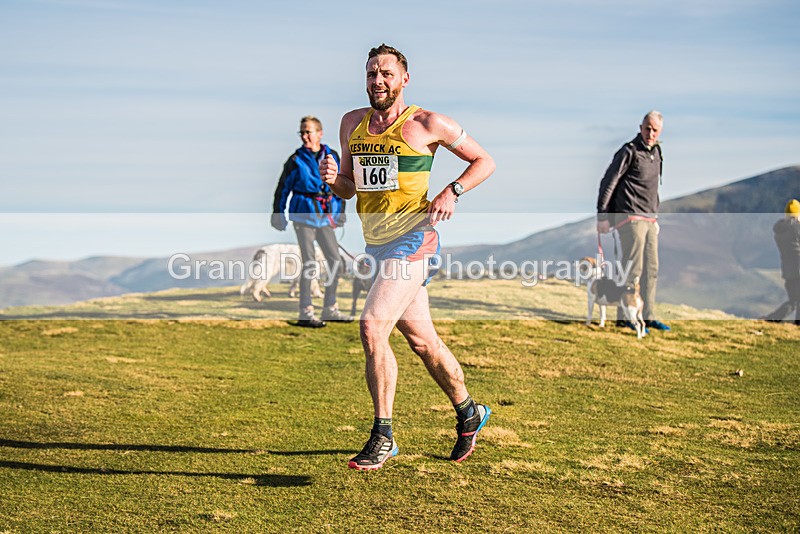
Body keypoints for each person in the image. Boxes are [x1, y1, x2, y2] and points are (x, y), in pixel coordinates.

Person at [319, 44, 496, 470]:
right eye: (370, 74)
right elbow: (348, 185)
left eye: (385, 74)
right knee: (424, 343)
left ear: (403, 79)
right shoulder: (351, 124)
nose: (377, 81)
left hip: (415, 240)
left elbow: (484, 160)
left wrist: (452, 191)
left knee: (371, 326)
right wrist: (333, 180)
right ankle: (469, 410)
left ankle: (383, 435)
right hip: (377, 245)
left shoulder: (427, 123)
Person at [271, 116, 354, 328]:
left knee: (335, 261)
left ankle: (330, 308)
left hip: (326, 217)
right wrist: (278, 214)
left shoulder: (332, 155)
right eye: (302, 132)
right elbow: (283, 189)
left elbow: (342, 183)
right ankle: (306, 312)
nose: (305, 136)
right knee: (309, 263)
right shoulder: (295, 160)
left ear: (320, 133)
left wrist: (341, 212)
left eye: (308, 131)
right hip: (303, 216)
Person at [596, 110, 671, 332]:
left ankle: (647, 316)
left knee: (652, 269)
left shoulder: (657, 153)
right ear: (640, 127)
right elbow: (608, 181)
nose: (650, 133)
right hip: (629, 217)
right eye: (647, 128)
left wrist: (654, 216)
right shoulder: (629, 151)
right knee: (633, 269)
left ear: (660, 131)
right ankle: (625, 316)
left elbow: (653, 188)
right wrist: (602, 215)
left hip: (649, 218)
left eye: (655, 130)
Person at [764, 199, 800, 324]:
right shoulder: (796, 227)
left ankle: (772, 319)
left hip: (788, 269)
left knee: (794, 300)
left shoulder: (780, 230)